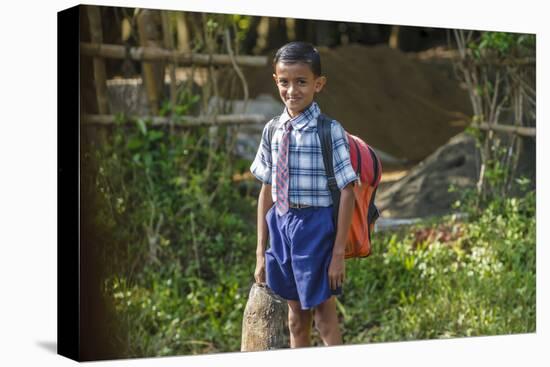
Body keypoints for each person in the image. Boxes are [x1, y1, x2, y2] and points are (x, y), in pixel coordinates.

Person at [250, 41, 357, 348]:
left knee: (324, 319)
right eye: (284, 82)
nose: (292, 90)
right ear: (275, 80)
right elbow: (266, 189)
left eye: (301, 82)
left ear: (318, 84)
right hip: (282, 228)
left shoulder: (329, 130)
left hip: (316, 228)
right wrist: (261, 252)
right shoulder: (272, 130)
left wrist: (337, 255)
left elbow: (348, 191)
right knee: (296, 319)